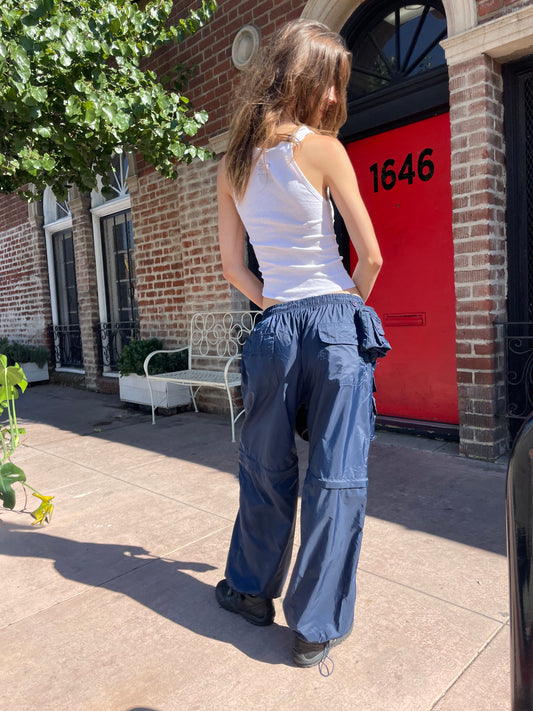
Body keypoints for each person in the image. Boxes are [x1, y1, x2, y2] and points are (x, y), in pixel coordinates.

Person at [215, 18, 390, 674]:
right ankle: (314, 626)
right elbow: (368, 254)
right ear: (305, 80)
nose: (332, 98)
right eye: (329, 84)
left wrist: (276, 307)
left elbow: (234, 269)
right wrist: (344, 310)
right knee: (335, 475)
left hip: (275, 325)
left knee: (264, 466)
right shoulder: (323, 149)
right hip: (333, 315)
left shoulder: (231, 162)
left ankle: (250, 592)